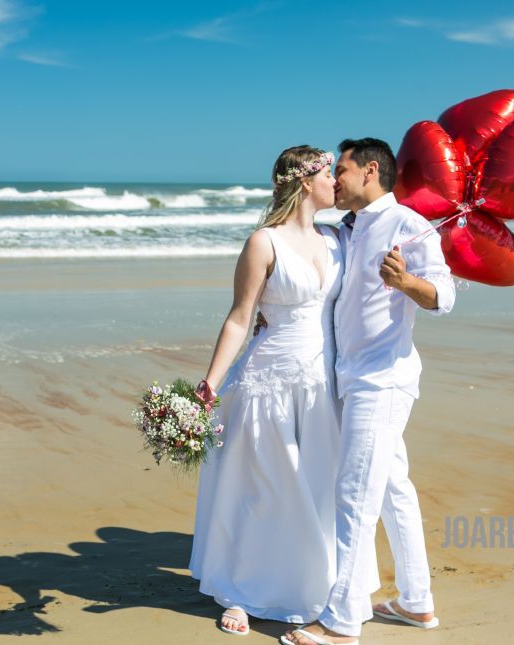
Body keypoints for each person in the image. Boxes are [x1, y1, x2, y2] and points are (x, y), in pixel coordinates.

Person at [282, 138, 455, 645]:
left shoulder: (408, 225)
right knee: (393, 489)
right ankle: (416, 601)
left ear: (370, 170)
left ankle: (340, 621)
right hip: (350, 376)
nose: (334, 179)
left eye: (341, 169)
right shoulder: (345, 228)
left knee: (355, 493)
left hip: (383, 379)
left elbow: (443, 295)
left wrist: (407, 283)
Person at [189, 145, 345, 636]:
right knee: (265, 488)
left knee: (314, 487)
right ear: (306, 182)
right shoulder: (264, 242)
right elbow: (240, 317)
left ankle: (311, 586)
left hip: (322, 384)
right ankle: (241, 591)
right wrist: (210, 384)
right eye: (329, 173)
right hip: (268, 381)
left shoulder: (338, 238)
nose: (337, 181)